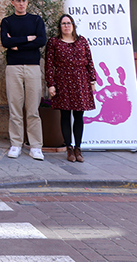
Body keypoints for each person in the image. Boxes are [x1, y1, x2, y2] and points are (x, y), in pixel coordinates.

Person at [0, 0, 47, 160]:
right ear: (12, 2)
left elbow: (41, 40)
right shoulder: (7, 21)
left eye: (24, 0)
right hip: (13, 67)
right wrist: (28, 39)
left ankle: (35, 146)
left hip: (33, 67)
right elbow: (6, 41)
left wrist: (17, 44)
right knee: (15, 108)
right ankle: (16, 144)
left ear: (28, 2)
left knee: (33, 109)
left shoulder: (36, 20)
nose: (21, 3)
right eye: (18, 0)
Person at [45, 14, 96, 163]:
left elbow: (89, 61)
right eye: (63, 23)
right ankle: (69, 147)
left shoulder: (82, 41)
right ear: (59, 27)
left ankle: (78, 148)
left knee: (79, 115)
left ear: (73, 25)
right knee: (65, 115)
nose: (66, 26)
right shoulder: (54, 42)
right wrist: (51, 84)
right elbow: (49, 64)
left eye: (69, 23)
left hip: (81, 80)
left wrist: (92, 80)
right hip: (62, 80)